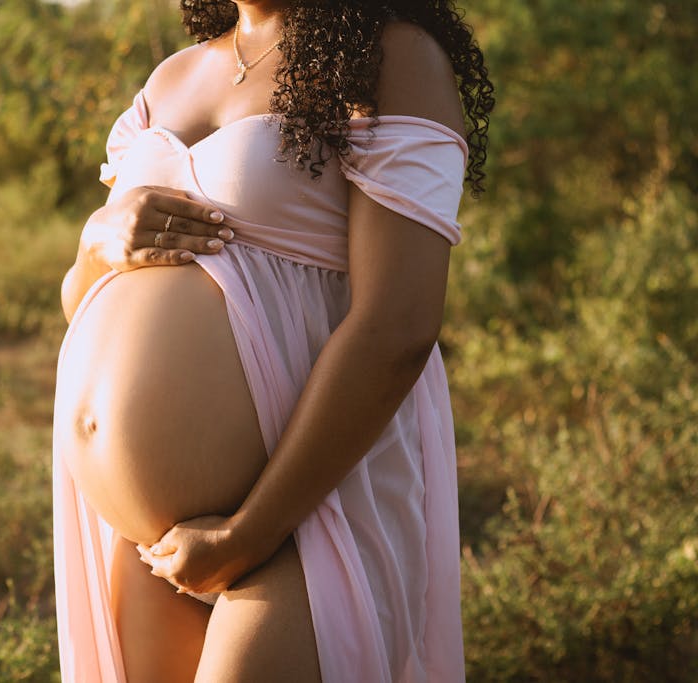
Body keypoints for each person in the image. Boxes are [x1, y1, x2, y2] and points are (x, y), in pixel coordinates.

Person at [52, 0, 493, 680]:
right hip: (148, 543)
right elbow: (82, 300)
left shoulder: (390, 58)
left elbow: (398, 325)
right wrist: (96, 240)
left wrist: (247, 532)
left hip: (307, 515)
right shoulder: (169, 80)